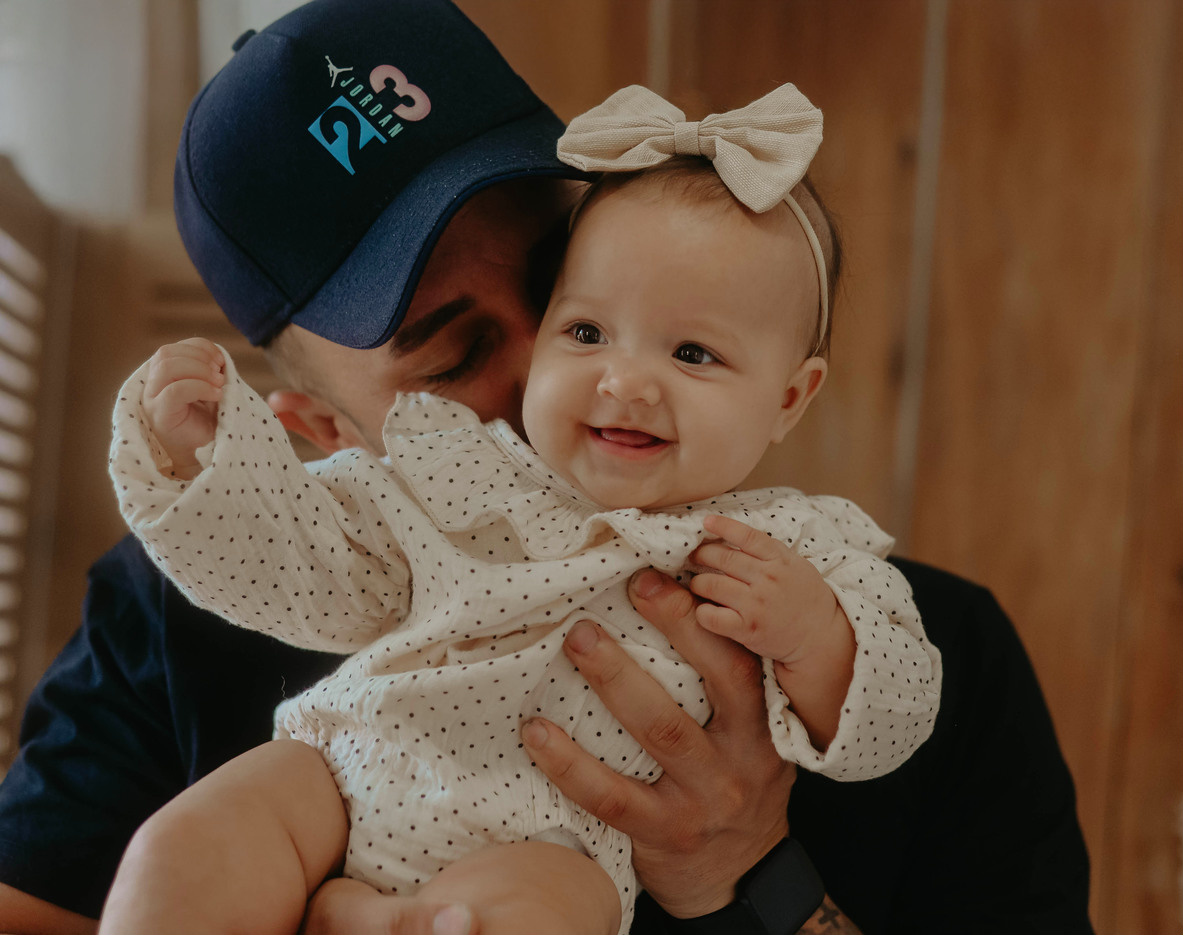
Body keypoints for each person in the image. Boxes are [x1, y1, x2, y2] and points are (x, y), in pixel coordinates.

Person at [0, 1, 1094, 933]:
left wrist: (756, 879)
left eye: (565, 283)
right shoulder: (182, 609)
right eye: (457, 353)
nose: (580, 377)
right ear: (321, 427)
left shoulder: (900, 639)